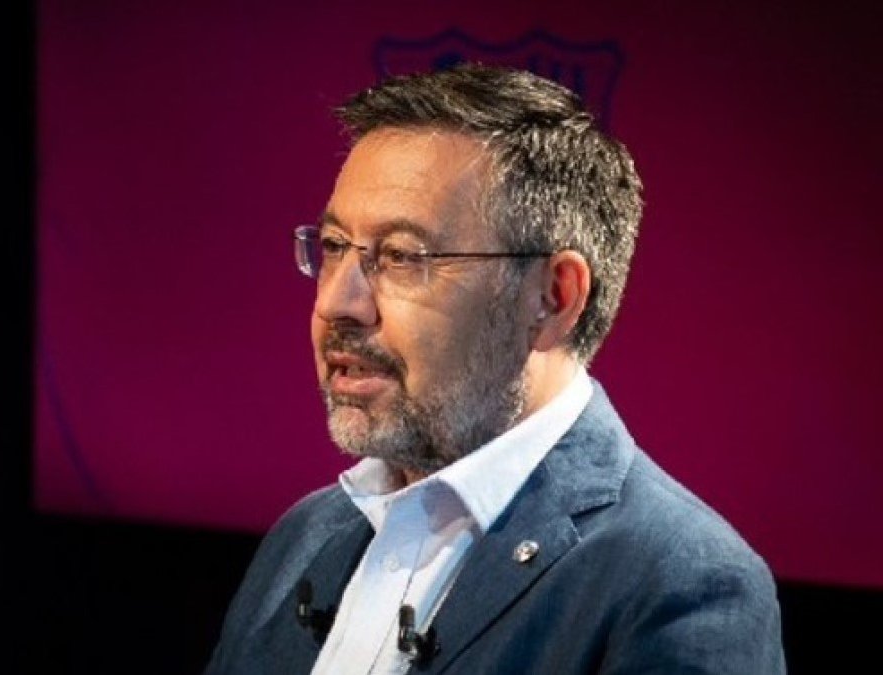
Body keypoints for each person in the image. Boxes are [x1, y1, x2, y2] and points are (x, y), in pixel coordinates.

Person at [205, 64, 785, 674]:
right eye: (332, 247)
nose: (336, 303)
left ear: (553, 297)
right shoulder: (305, 539)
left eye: (401, 256)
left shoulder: (679, 586)